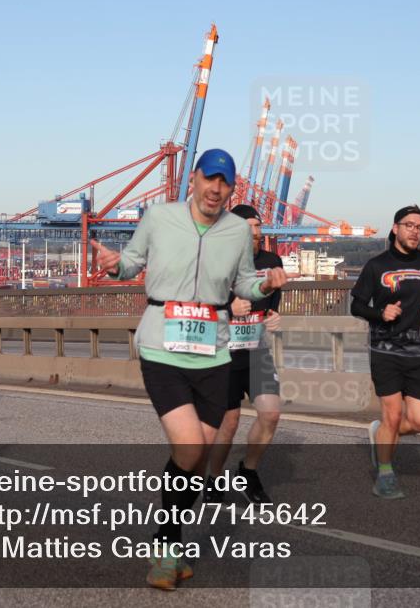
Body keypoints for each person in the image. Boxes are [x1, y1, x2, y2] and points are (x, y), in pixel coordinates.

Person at [89, 149, 287, 590]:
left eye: (225, 183)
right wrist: (113, 264)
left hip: (213, 352)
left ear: (231, 189)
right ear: (194, 179)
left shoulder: (237, 231)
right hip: (162, 346)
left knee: (197, 456)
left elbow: (243, 283)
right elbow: (131, 264)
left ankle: (170, 544)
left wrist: (265, 284)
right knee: (190, 446)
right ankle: (165, 549)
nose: (216, 189)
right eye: (209, 179)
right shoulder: (159, 217)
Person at [350, 205, 420, 499]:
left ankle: (379, 434)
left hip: (418, 353)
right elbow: (356, 305)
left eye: (419, 227)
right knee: (392, 416)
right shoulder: (377, 265)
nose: (415, 231)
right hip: (385, 351)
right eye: (409, 225)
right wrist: (380, 312)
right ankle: (385, 474)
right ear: (395, 228)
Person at [206, 204, 282, 505]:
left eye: (258, 225)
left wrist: (276, 317)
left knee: (271, 414)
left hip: (257, 351)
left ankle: (248, 472)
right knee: (229, 422)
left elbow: (272, 304)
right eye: (250, 226)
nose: (257, 231)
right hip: (224, 353)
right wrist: (228, 309)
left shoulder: (271, 261)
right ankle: (212, 478)